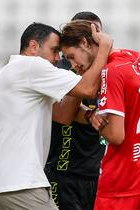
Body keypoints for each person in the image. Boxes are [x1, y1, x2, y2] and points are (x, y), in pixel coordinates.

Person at [0, 23, 113, 210]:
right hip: (21, 185)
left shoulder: (9, 73)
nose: (58, 59)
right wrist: (103, 48)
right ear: (34, 47)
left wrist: (89, 114)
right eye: (54, 50)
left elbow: (63, 116)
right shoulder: (32, 66)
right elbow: (88, 89)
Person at [60, 20, 140, 210]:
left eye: (72, 57)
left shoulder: (110, 72)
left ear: (85, 42)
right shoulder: (137, 57)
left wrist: (96, 120)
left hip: (123, 181)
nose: (74, 65)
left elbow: (115, 136)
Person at [45, 12, 105, 210]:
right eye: (88, 36)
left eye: (98, 35)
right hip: (62, 175)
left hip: (96, 176)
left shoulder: (110, 73)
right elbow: (63, 115)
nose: (92, 41)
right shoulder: (62, 69)